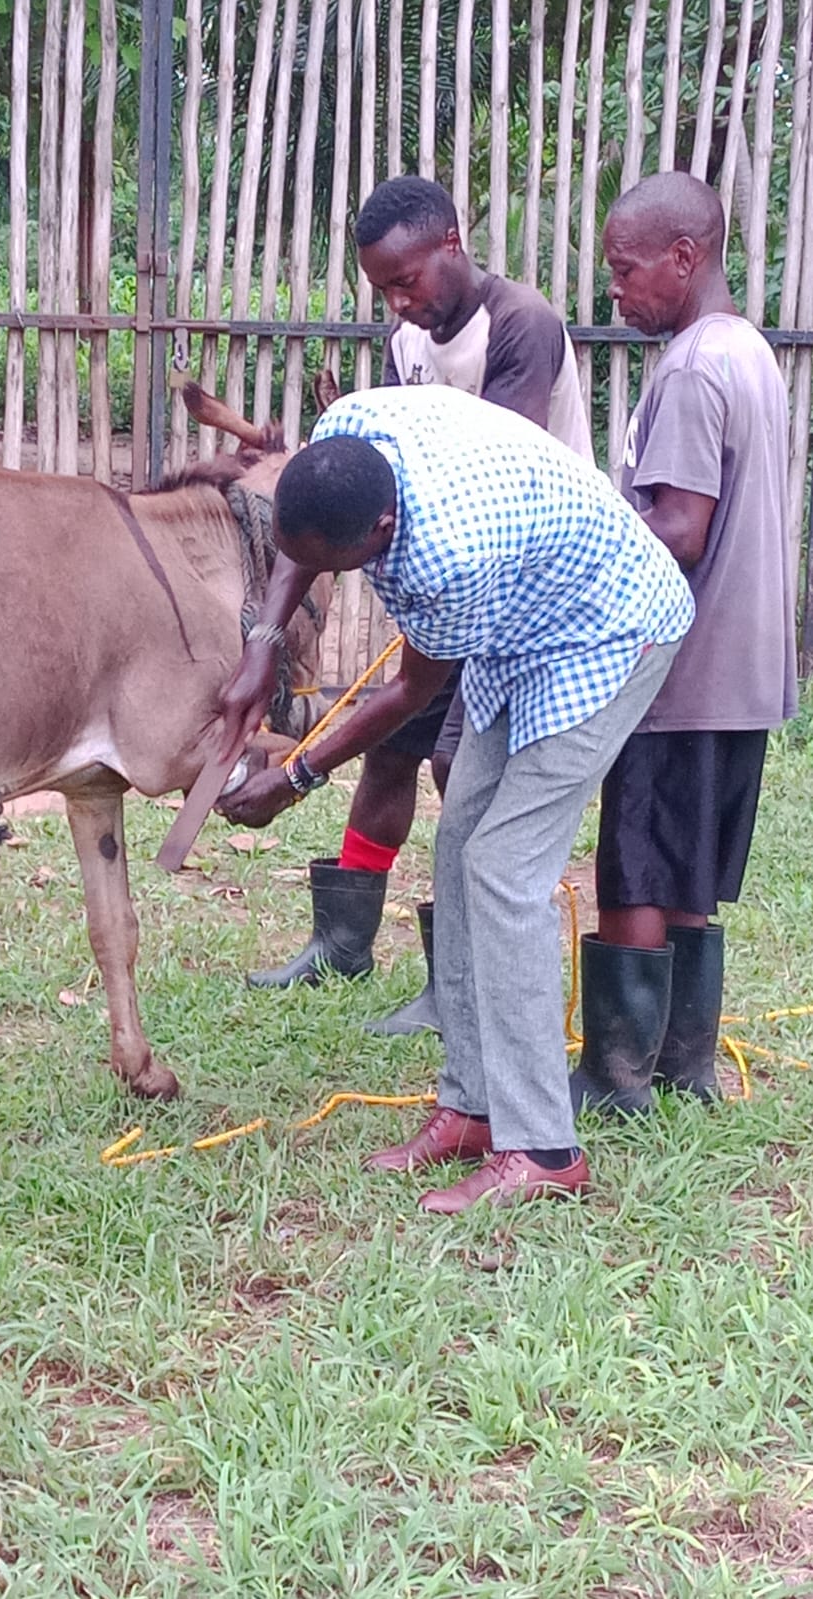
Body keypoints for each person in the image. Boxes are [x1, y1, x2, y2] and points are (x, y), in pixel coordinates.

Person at [216, 384, 693, 1213]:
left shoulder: (447, 558)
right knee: (459, 844)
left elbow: (405, 696)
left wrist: (294, 779)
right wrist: (263, 639)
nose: (322, 574)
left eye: (340, 563)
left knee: (505, 870)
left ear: (380, 535)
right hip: (527, 624)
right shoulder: (344, 437)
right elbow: (300, 535)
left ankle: (544, 1148)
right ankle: (473, 1106)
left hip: (611, 632)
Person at [225, 175, 592, 1046]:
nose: (400, 301)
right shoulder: (408, 341)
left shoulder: (522, 326)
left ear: (453, 244)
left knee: (456, 771)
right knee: (393, 749)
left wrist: (297, 772)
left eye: (410, 281)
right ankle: (344, 942)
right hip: (452, 567)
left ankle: (451, 978)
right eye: (385, 289)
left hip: (520, 582)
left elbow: (492, 474)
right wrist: (264, 641)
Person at [569, 172, 796, 1115]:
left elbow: (681, 527)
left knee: (634, 860)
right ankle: (681, 1068)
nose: (616, 292)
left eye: (626, 271)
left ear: (684, 258)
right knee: (686, 867)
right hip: (745, 673)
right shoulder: (748, 350)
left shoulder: (696, 367)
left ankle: (616, 1079)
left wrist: (590, 532)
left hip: (683, 672)